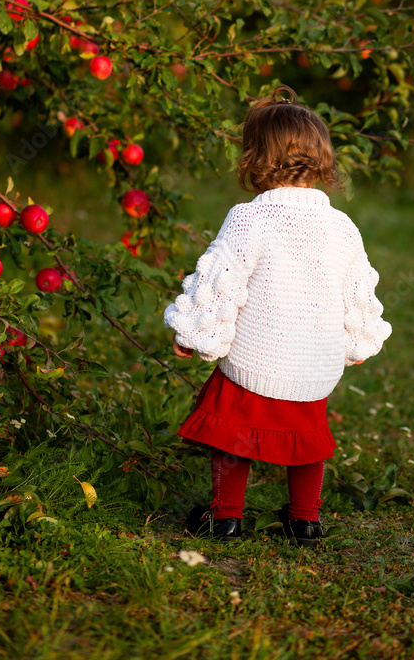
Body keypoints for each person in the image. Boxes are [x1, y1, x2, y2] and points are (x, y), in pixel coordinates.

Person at [164, 85, 392, 547]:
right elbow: (358, 289)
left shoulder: (250, 219)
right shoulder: (342, 226)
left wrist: (195, 332)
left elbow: (220, 281)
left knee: (232, 433)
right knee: (308, 438)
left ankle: (226, 516)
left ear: (253, 157)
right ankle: (305, 520)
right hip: (312, 365)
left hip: (253, 358)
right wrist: (358, 340)